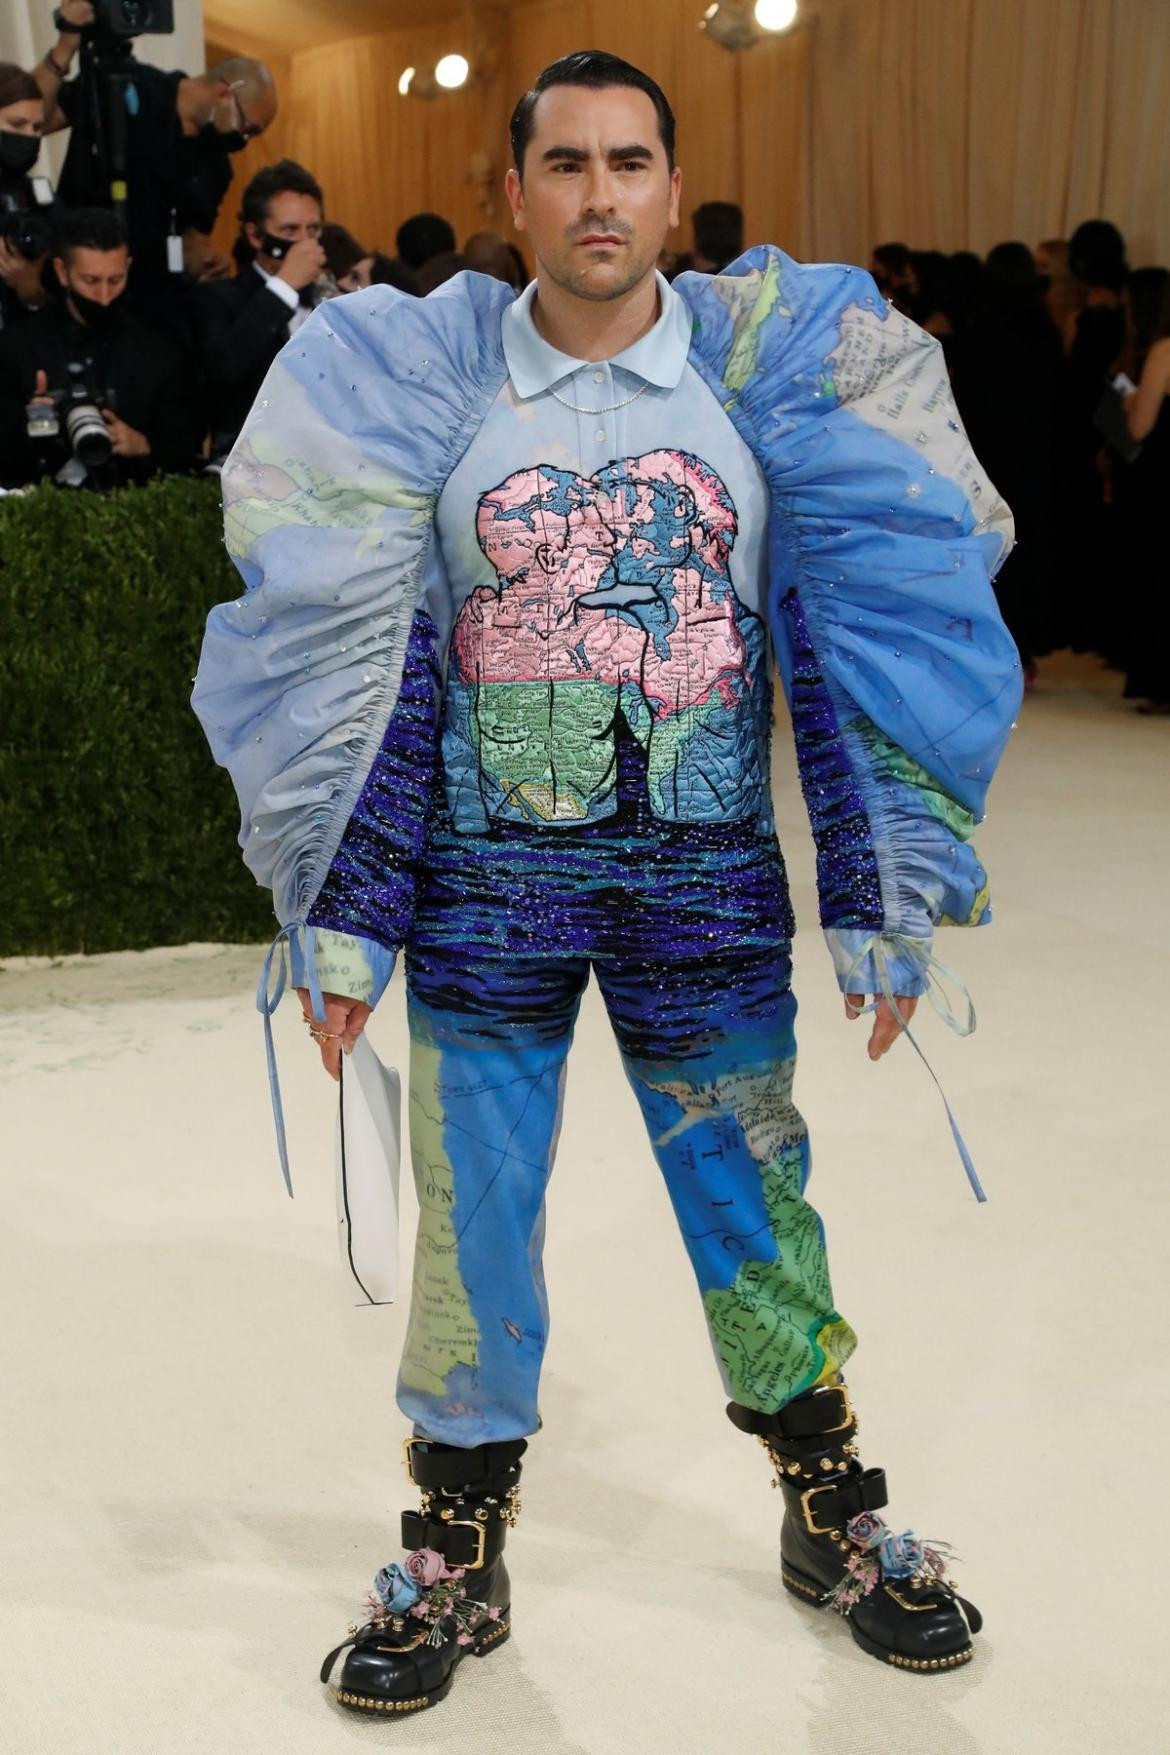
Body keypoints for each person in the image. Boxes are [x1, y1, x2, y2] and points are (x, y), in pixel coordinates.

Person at [193, 49, 1019, 1714]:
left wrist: (886, 892)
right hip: (484, 895)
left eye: (629, 162)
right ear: (514, 195)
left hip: (701, 891)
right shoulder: (415, 391)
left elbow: (858, 636)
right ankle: (455, 1541)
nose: (597, 196)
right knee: (476, 1217)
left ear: (670, 184)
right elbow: (373, 675)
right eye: (563, 165)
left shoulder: (779, 387)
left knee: (752, 1197)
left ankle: (827, 1505)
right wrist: (343, 924)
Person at [34, 1, 275, 325]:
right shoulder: (128, 86)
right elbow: (38, 119)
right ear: (223, 93)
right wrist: (65, 46)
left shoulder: (217, 166)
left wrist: (204, 260)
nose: (243, 140)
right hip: (79, 291)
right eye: (247, 127)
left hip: (152, 315)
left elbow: (192, 238)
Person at [0, 204, 197, 488]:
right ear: (62, 272)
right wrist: (30, 424)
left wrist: (142, 444)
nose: (104, 297)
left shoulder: (158, 352)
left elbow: (186, 452)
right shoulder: (17, 348)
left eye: (115, 280)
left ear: (128, 268)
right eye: (90, 281)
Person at [951, 242, 1062, 676]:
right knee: (1032, 547)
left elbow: (969, 400)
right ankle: (1029, 647)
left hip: (991, 453)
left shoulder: (981, 329)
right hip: (1038, 451)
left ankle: (996, 645)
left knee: (995, 547)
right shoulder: (1045, 328)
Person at [196, 159, 327, 461]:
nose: (306, 243)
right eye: (290, 230)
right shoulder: (218, 299)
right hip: (249, 464)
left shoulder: (331, 298)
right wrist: (284, 286)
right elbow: (225, 370)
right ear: (255, 235)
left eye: (313, 229)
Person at [1118, 267, 1170, 712]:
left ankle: (1159, 682)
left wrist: (1130, 401)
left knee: (1159, 579)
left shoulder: (1164, 352)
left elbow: (1139, 425)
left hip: (1163, 482)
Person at [0, 63, 55, 330]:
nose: (29, 137)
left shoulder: (38, 198)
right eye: (17, 124)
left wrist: (30, 290)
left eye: (36, 128)